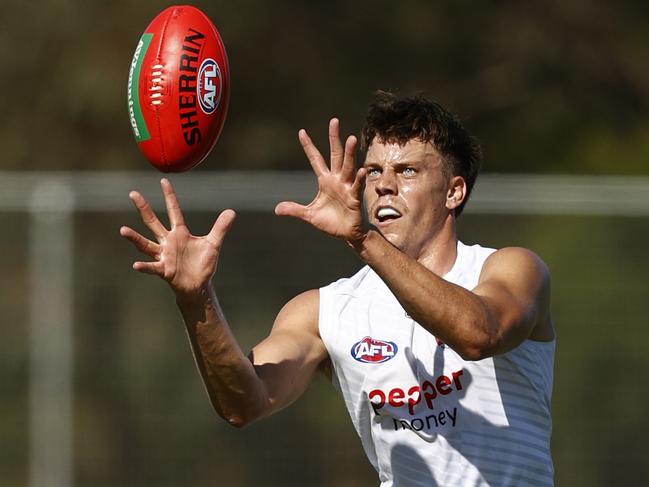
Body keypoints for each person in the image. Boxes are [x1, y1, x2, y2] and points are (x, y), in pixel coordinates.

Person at [120, 92, 555, 486]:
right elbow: (245, 402)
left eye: (407, 171)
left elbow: (480, 334)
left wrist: (363, 239)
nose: (384, 184)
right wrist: (196, 299)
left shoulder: (510, 268)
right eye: (374, 171)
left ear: (454, 192)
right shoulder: (326, 310)